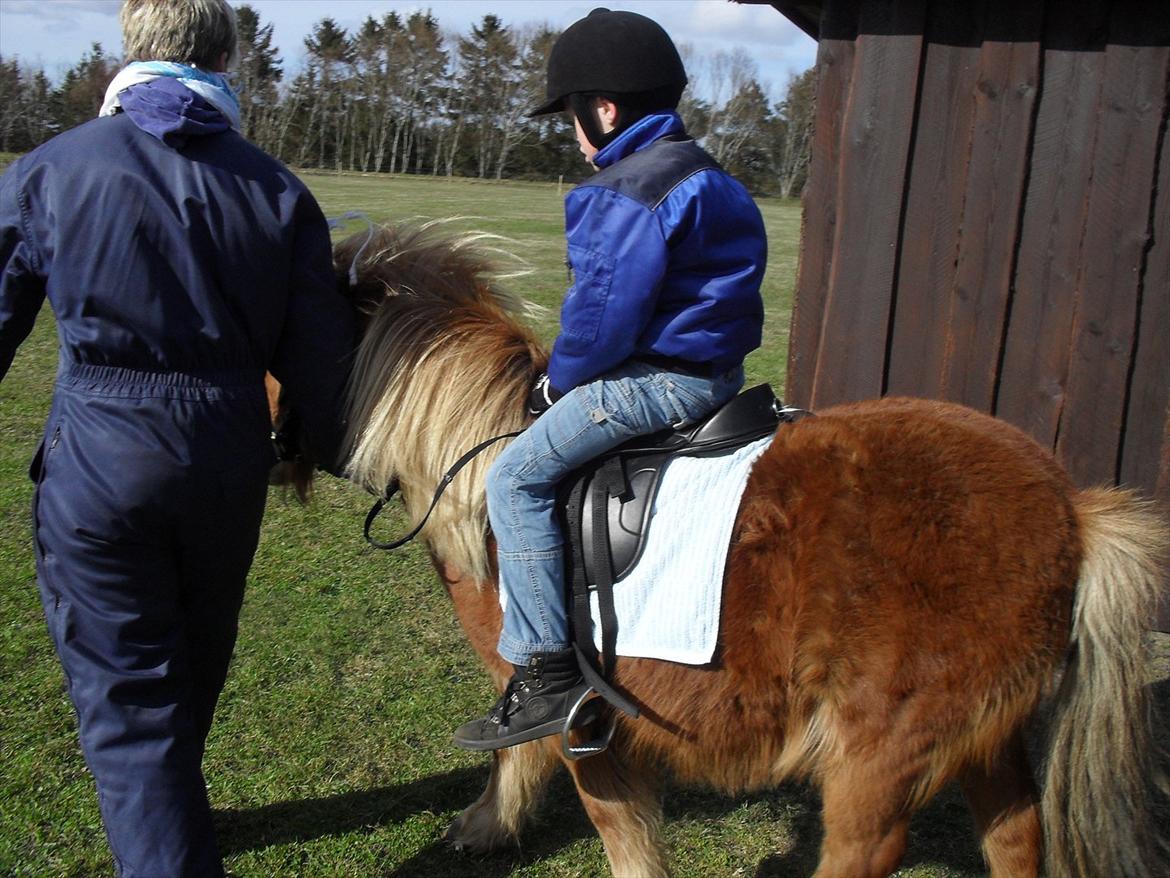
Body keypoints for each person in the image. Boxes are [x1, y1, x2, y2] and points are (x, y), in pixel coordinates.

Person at [0, 1, 355, 875]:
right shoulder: (275, 189)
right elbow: (322, 366)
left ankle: (164, 839)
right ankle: (169, 815)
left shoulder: (51, 170)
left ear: (131, 48)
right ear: (225, 54)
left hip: (101, 460)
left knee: (132, 704)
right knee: (192, 664)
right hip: (227, 464)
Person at [454, 8, 767, 751]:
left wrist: (559, 384)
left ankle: (544, 672)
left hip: (652, 382)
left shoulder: (625, 189)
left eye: (570, 115)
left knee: (515, 481)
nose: (572, 132)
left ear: (602, 108)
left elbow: (601, 318)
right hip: (716, 378)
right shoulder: (711, 176)